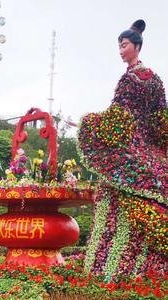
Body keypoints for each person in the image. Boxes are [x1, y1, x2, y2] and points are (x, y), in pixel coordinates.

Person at [78, 20, 167, 276]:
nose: (120, 49)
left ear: (136, 46)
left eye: (124, 44)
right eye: (119, 45)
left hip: (129, 149)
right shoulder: (156, 79)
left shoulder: (129, 79)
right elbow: (161, 120)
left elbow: (120, 118)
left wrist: (89, 122)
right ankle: (152, 268)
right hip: (151, 152)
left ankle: (111, 267)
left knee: (111, 195)